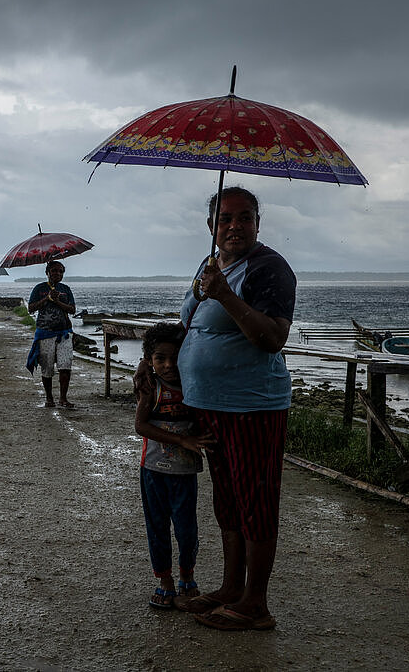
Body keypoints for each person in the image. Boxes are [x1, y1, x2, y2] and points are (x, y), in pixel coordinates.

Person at [172, 186, 296, 632]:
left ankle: (256, 604)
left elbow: (272, 338)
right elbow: (190, 327)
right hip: (210, 405)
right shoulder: (209, 266)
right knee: (228, 501)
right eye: (225, 219)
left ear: (258, 224)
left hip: (252, 406)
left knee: (256, 501)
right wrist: (155, 367)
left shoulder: (269, 269)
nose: (234, 226)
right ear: (211, 228)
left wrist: (225, 295)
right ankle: (230, 589)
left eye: (245, 218)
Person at [135, 322, 214, 610]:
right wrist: (182, 440)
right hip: (154, 471)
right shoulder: (150, 386)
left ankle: (187, 578)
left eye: (175, 357)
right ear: (149, 361)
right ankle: (165, 581)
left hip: (185, 473)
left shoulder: (193, 384)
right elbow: (140, 425)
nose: (169, 365)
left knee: (186, 528)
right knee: (157, 527)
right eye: (160, 359)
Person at [25, 260, 76, 407]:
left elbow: (72, 309)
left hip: (64, 333)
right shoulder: (39, 288)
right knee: (47, 367)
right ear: (47, 272)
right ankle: (49, 398)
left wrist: (58, 301)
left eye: (60, 271)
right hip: (45, 333)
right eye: (54, 270)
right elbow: (31, 308)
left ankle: (63, 398)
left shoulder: (65, 289)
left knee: (65, 366)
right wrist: (47, 298)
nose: (57, 273)